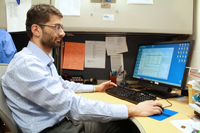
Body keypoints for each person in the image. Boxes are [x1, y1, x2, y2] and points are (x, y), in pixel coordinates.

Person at [2, 4, 163, 133]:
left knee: (121, 122)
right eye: (57, 27)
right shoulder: (27, 64)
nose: (63, 33)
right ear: (36, 29)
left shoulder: (40, 60)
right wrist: (133, 109)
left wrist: (95, 87)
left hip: (63, 122)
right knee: (125, 127)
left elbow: (63, 85)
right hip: (53, 129)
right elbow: (71, 105)